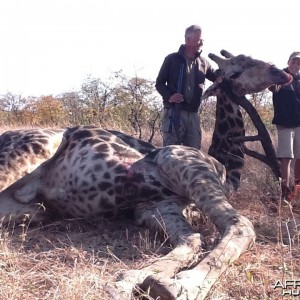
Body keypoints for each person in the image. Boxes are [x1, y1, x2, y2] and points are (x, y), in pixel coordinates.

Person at [155, 25, 218, 149]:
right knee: (172, 153)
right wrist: (170, 96)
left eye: (202, 39)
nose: (202, 42)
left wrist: (222, 79)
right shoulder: (171, 59)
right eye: (199, 39)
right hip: (174, 112)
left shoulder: (204, 62)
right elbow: (159, 83)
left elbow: (216, 77)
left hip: (193, 115)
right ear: (187, 40)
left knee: (193, 154)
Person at [270, 51, 300, 198]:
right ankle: (285, 192)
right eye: (293, 61)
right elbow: (273, 88)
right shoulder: (280, 76)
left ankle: (297, 191)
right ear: (288, 62)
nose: (295, 65)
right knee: (286, 158)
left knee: (299, 158)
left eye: (298, 63)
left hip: (299, 124)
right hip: (284, 123)